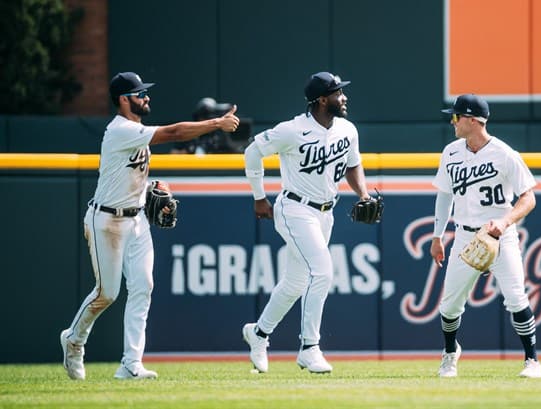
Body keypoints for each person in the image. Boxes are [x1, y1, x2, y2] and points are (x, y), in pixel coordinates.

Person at [60, 71, 239, 380]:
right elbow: (174, 133)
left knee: (143, 286)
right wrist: (216, 123)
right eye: (140, 93)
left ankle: (131, 363)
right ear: (123, 100)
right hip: (107, 220)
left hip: (137, 219)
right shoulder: (120, 130)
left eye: (145, 92)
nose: (146, 97)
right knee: (107, 293)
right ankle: (74, 340)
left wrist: (155, 186)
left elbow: (130, 176)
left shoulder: (137, 130)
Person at [241, 71, 371, 374]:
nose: (344, 97)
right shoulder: (292, 130)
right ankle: (310, 347)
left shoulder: (347, 130)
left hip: (326, 213)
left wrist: (363, 194)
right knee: (323, 270)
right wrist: (259, 197)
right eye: (339, 92)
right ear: (322, 99)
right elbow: (252, 151)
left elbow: (353, 164)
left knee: (295, 282)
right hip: (295, 209)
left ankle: (258, 333)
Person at [430, 93, 541, 378]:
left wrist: (505, 222)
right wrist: (437, 236)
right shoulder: (451, 151)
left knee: (516, 297)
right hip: (465, 236)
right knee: (450, 305)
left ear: (471, 120)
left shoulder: (505, 154)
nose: (452, 121)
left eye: (456, 117)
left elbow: (528, 198)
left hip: (499, 237)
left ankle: (532, 361)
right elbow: (444, 196)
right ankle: (450, 353)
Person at [170, 97, 246, 154]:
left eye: (210, 117)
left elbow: (238, 152)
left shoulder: (220, 134)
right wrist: (189, 150)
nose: (207, 119)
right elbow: (173, 154)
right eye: (204, 117)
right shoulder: (190, 132)